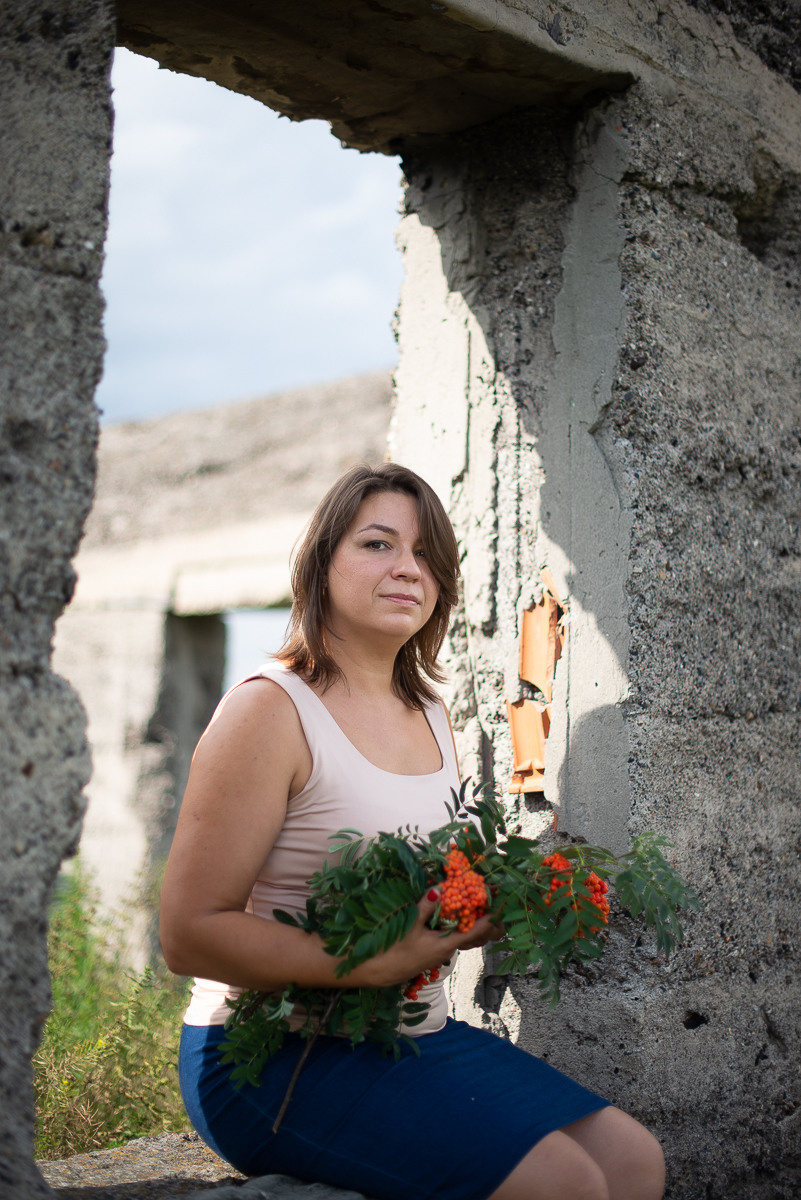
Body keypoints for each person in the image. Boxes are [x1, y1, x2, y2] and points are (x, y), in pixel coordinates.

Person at [161, 462, 665, 1200]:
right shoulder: (269, 712)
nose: (407, 568)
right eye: (377, 544)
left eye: (427, 554)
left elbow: (419, 879)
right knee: (563, 1185)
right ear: (320, 563)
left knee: (631, 1162)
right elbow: (188, 933)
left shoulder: (427, 709)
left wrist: (493, 908)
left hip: (402, 1031)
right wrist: (364, 966)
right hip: (270, 1055)